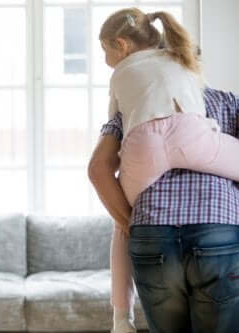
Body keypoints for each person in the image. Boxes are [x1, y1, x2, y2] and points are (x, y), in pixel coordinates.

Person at [90, 7, 239, 332]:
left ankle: (120, 319)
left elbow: (99, 170)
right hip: (217, 224)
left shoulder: (128, 99)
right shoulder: (225, 102)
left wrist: (129, 220)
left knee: (121, 225)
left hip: (150, 224)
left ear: (122, 44)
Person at [99, 8, 239, 208]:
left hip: (143, 143)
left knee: (125, 210)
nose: (104, 58)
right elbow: (197, 99)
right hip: (189, 133)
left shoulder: (119, 74)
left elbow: (115, 119)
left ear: (121, 45)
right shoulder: (180, 60)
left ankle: (129, 235)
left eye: (105, 49)